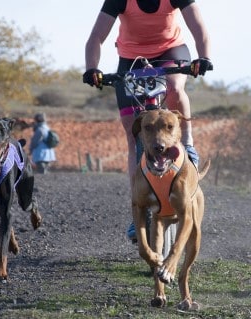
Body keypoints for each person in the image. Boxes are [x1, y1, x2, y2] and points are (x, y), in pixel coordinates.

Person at [83, 0, 213, 241]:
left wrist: (203, 57)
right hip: (130, 59)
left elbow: (198, 26)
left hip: (170, 51)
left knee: (174, 87)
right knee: (134, 137)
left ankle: (188, 141)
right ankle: (138, 212)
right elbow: (95, 38)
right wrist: (92, 68)